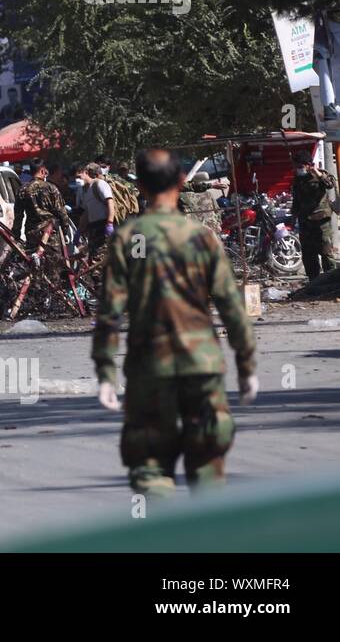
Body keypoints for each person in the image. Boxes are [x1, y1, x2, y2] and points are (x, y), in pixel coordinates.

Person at [93, 148, 258, 496]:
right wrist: (246, 366)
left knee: (151, 470)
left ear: (141, 186)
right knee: (208, 472)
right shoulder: (201, 238)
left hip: (150, 368)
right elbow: (231, 305)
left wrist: (106, 373)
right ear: (182, 182)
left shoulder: (131, 239)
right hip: (202, 365)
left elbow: (110, 310)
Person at [291, 152, 336, 279]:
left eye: (300, 166)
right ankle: (313, 282)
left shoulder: (320, 175)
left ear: (308, 165)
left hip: (321, 221)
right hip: (305, 221)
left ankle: (330, 280)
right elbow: (296, 200)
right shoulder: (298, 179)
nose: (298, 168)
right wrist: (293, 217)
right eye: (296, 166)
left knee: (326, 251)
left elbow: (330, 185)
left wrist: (318, 174)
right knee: (308, 254)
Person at [82, 163, 116, 257]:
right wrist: (79, 231)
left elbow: (110, 203)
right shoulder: (87, 190)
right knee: (93, 258)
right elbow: (87, 212)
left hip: (103, 227)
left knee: (101, 259)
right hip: (93, 229)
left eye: (81, 175)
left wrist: (109, 223)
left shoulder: (100, 184)